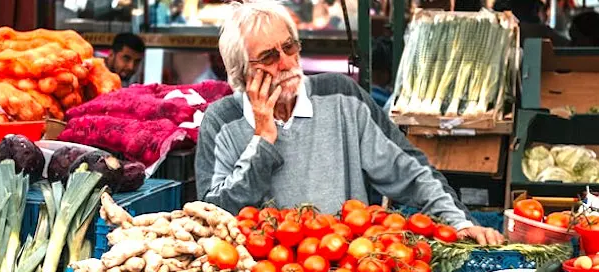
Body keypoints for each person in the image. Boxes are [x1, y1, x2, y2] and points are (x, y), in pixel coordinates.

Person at [195, 1, 504, 245]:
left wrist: (459, 222)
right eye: (269, 57)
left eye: (289, 47)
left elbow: (410, 172)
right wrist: (262, 138)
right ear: (240, 73)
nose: (287, 62)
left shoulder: (341, 97)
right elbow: (215, 217)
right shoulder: (222, 121)